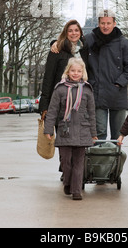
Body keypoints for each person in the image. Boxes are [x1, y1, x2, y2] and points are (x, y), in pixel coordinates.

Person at [44, 57, 97, 200]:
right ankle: (67, 182)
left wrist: (93, 133)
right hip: (64, 130)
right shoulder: (60, 89)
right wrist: (48, 129)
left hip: (83, 130)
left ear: (83, 72)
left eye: (79, 71)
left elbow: (92, 112)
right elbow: (53, 110)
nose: (75, 73)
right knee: (66, 162)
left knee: (79, 163)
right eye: (73, 70)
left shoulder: (87, 89)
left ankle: (76, 191)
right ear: (68, 71)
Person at [85, 10, 128, 140]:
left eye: (108, 23)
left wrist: (119, 83)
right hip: (97, 94)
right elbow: (70, 41)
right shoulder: (88, 40)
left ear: (114, 23)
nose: (105, 26)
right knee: (99, 133)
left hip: (117, 94)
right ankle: (99, 160)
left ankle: (115, 160)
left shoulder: (124, 43)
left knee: (117, 135)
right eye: (103, 23)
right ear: (98, 23)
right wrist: (55, 43)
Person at [39, 19, 88, 118]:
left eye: (76, 30)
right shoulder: (57, 51)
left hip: (81, 100)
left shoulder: (85, 50)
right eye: (70, 31)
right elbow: (48, 78)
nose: (73, 33)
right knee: (62, 132)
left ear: (81, 33)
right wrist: (44, 105)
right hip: (61, 100)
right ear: (65, 33)